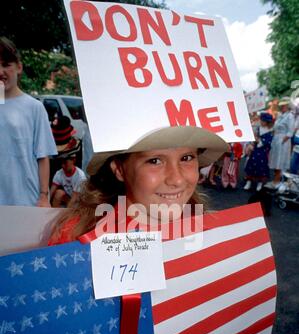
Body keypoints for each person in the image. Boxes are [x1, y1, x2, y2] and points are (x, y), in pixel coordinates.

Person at [48, 126, 228, 245]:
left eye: (187, 158)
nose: (177, 180)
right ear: (119, 169)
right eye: (155, 161)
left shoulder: (213, 233)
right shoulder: (75, 237)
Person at [0, 37, 57, 206]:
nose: (0, 71)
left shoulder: (34, 107)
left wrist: (43, 196)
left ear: (19, 67)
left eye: (6, 64)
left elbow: (43, 157)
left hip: (26, 201)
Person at [268, 97, 295, 187]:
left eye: (284, 105)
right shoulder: (280, 115)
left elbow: (290, 132)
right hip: (276, 139)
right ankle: (276, 179)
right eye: (282, 105)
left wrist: (282, 141)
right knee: (275, 160)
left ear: (288, 105)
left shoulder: (290, 116)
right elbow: (275, 127)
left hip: (283, 140)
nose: (282, 106)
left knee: (280, 161)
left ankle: (277, 181)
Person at [244, 112, 274, 191]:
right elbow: (254, 139)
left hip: (263, 152)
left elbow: (266, 143)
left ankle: (260, 183)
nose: (261, 122)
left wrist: (258, 140)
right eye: (261, 120)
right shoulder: (258, 128)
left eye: (263, 121)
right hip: (255, 150)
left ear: (267, 122)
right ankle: (249, 181)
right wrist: (252, 142)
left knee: (261, 167)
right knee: (251, 165)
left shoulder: (269, 131)